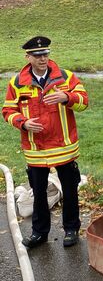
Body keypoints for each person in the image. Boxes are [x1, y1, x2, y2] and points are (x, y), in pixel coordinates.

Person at [2, 36, 88, 248]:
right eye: (38, 55)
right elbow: (7, 111)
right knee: (38, 193)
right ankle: (39, 233)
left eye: (45, 54)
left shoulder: (66, 78)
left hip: (63, 147)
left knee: (69, 191)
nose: (43, 59)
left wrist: (66, 98)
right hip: (36, 150)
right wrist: (23, 122)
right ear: (28, 57)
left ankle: (71, 229)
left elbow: (84, 102)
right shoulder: (17, 83)